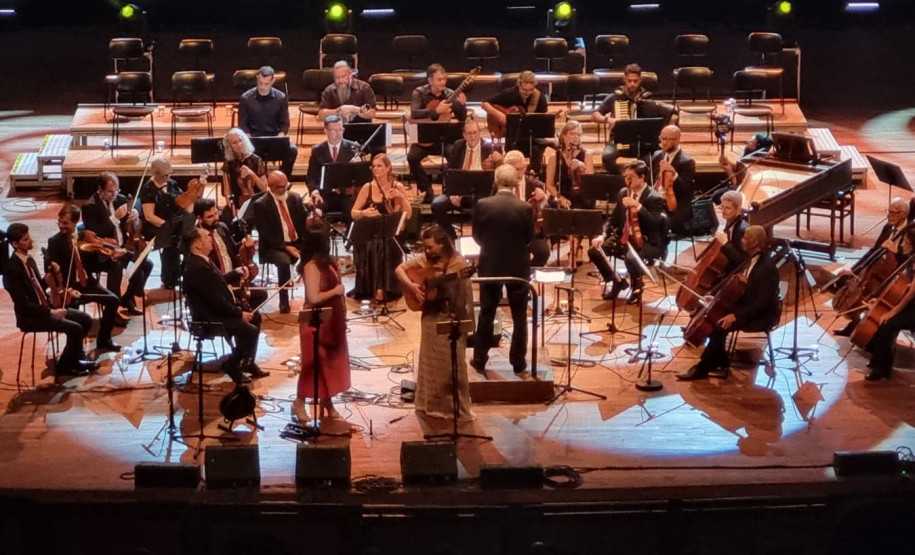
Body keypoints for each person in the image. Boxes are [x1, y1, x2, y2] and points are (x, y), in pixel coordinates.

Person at [676, 225, 780, 381]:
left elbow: (762, 303)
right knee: (714, 314)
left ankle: (704, 367)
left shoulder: (767, 268)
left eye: (745, 238)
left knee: (718, 325)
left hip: (760, 314)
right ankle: (720, 359)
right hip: (747, 306)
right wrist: (717, 299)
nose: (741, 240)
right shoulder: (751, 258)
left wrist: (735, 315)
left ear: (754, 243)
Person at [395, 224, 475, 420]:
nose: (426, 251)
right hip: (430, 318)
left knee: (451, 366)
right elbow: (400, 269)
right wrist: (413, 286)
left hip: (451, 317)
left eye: (430, 247)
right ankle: (429, 405)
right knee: (430, 363)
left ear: (442, 245)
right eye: (424, 247)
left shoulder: (458, 264)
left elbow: (461, 295)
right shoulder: (425, 260)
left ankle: (453, 408)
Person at [3, 223, 99, 377]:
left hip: (43, 308)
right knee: (76, 328)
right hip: (31, 317)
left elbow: (37, 287)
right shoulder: (12, 271)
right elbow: (25, 305)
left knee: (85, 319)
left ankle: (73, 358)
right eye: (26, 239)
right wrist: (52, 312)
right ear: (15, 244)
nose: (31, 241)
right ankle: (65, 367)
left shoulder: (29, 261)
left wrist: (53, 278)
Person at [471, 164, 535, 377]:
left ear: (495, 181)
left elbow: (477, 236)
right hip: (517, 268)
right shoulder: (525, 208)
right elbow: (529, 239)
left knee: (487, 313)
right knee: (519, 317)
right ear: (516, 182)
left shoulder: (482, 204)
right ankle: (519, 364)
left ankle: (479, 360)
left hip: (490, 266)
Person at [183, 228, 265, 384]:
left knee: (255, 317)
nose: (210, 239)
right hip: (210, 318)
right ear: (198, 244)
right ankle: (232, 365)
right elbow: (216, 301)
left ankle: (247, 362)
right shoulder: (198, 267)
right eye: (207, 237)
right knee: (249, 330)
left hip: (216, 311)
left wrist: (235, 273)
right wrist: (239, 313)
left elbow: (217, 284)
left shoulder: (201, 260)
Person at [833, 197, 914, 337]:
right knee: (861, 289)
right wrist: (855, 269)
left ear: (903, 214)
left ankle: (873, 331)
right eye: (888, 211)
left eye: (893, 212)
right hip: (882, 270)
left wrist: (896, 251)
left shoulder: (911, 232)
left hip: (900, 276)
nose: (888, 215)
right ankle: (855, 323)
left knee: (876, 294)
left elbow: (911, 259)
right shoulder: (888, 227)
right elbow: (874, 251)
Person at [47, 204, 123, 352]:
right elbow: (48, 268)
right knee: (76, 315)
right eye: (59, 222)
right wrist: (63, 285)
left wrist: (108, 254)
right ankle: (76, 351)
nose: (61, 226)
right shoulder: (54, 241)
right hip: (69, 287)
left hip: (87, 282)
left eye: (65, 223)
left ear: (75, 222)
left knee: (114, 300)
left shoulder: (86, 236)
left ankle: (104, 339)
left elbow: (97, 263)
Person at [588, 160, 666, 304]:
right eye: (626, 176)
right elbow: (613, 219)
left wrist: (639, 206)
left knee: (631, 258)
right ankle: (617, 281)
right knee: (595, 251)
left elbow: (654, 224)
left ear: (642, 177)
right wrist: (602, 235)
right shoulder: (623, 193)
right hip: (624, 237)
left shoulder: (654, 198)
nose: (627, 180)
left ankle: (637, 287)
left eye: (631, 176)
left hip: (646, 241)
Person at [293, 232, 351, 422]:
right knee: (312, 364)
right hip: (315, 321)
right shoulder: (311, 267)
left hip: (332, 319)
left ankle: (327, 402)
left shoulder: (328, 263)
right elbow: (314, 297)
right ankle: (299, 402)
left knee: (330, 363)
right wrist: (336, 291)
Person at [80, 171, 151, 315]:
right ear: (100, 190)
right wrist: (115, 218)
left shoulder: (121, 199)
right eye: (110, 191)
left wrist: (134, 216)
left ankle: (127, 299)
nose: (114, 194)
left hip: (122, 247)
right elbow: (96, 233)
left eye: (116, 190)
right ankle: (112, 310)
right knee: (116, 268)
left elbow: (128, 224)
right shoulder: (90, 206)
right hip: (103, 251)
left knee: (146, 264)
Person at [350, 153, 412, 302]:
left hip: (392, 232)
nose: (376, 169)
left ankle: (383, 288)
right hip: (372, 231)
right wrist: (364, 212)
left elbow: (408, 215)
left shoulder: (397, 187)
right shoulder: (368, 187)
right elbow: (353, 213)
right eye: (374, 166)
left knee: (383, 245)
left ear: (388, 168)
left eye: (379, 166)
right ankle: (373, 287)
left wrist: (401, 197)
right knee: (370, 243)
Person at [430, 118, 502, 239]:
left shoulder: (491, 148)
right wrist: (452, 193)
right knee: (436, 205)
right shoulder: (458, 146)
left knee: (479, 206)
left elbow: (500, 174)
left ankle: (478, 241)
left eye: (475, 132)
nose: (473, 136)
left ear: (479, 133)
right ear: (464, 135)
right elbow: (450, 172)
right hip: (458, 192)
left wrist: (499, 160)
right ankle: (452, 238)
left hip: (481, 194)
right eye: (469, 133)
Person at [252, 170, 313, 314]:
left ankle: (311, 298)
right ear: (271, 187)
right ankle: (284, 301)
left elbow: (305, 218)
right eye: (280, 187)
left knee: (314, 256)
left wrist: (312, 213)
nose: (285, 189)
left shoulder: (295, 197)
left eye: (286, 185)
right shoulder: (261, 204)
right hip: (275, 246)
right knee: (284, 262)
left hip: (296, 241)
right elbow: (265, 233)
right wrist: (285, 247)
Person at [194, 198, 268, 313]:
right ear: (199, 218)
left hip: (234, 277)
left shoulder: (221, 227)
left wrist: (244, 243)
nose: (216, 219)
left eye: (216, 213)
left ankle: (241, 314)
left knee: (261, 294)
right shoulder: (196, 238)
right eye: (210, 217)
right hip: (217, 283)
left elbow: (233, 250)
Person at [407, 63, 468, 204]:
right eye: (439, 79)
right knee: (412, 157)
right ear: (430, 80)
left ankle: (449, 191)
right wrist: (436, 112)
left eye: (444, 79)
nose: (443, 82)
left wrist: (461, 105)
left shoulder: (450, 94)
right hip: (424, 140)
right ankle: (427, 191)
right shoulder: (419, 92)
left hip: (444, 139)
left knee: (455, 154)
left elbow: (462, 118)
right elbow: (414, 113)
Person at [591, 63, 654, 175]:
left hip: (639, 142)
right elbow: (594, 115)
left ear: (640, 80)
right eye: (629, 81)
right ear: (624, 79)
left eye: (635, 81)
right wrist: (608, 120)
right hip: (617, 140)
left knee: (650, 159)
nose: (632, 84)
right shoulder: (616, 96)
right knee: (607, 157)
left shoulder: (647, 97)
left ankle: (643, 186)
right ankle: (622, 180)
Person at [138, 158, 191, 290]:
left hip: (175, 220)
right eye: (165, 175)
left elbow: (182, 202)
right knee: (173, 240)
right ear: (156, 174)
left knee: (192, 238)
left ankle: (185, 272)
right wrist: (169, 226)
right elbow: (150, 216)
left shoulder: (172, 183)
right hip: (157, 225)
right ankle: (170, 278)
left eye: (169, 174)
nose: (168, 177)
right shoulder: (148, 189)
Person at [481, 70, 548, 172]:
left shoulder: (540, 99)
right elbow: (485, 104)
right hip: (512, 137)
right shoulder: (510, 93)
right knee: (511, 150)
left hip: (533, 139)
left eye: (530, 90)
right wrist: (500, 116)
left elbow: (543, 122)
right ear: (519, 84)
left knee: (536, 149)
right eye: (524, 89)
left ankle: (534, 175)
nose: (527, 93)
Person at [237, 66, 297, 178]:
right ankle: (254, 181)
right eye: (260, 83)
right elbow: (243, 124)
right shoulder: (245, 98)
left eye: (266, 84)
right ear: (257, 79)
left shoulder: (281, 98)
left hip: (273, 139)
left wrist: (280, 137)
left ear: (272, 81)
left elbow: (285, 124)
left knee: (292, 150)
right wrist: (249, 139)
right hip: (253, 140)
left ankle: (281, 179)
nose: (263, 86)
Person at [306, 114, 361, 224]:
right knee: (315, 215)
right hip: (324, 195)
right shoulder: (317, 150)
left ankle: (350, 240)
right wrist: (315, 191)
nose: (338, 133)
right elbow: (311, 177)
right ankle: (323, 240)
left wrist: (358, 167)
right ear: (325, 130)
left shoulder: (353, 148)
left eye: (340, 129)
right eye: (334, 130)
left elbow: (359, 177)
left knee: (353, 215)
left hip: (345, 195)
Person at [504, 149, 552, 268]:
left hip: (531, 233)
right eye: (511, 170)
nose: (515, 173)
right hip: (507, 233)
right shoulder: (499, 185)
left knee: (543, 252)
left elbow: (547, 213)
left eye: (518, 169)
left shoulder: (536, 185)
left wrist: (542, 200)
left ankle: (526, 272)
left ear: (525, 167)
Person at [652, 125, 695, 235]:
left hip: (674, 205)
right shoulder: (657, 155)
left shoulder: (687, 161)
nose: (663, 142)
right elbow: (651, 180)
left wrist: (674, 173)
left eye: (667, 139)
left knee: (655, 225)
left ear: (677, 140)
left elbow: (684, 190)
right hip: (655, 201)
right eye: (662, 138)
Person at [714, 132, 774, 204]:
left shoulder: (756, 162)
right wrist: (728, 162)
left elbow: (738, 186)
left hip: (742, 191)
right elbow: (739, 168)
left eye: (751, 142)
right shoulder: (749, 154)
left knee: (717, 195)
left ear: (758, 146)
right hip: (738, 185)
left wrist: (729, 171)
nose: (748, 142)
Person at [221, 127, 267, 211]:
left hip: (257, 202)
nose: (239, 145)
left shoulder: (256, 160)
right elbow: (227, 191)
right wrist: (233, 209)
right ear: (229, 146)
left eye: (240, 140)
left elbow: (264, 188)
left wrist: (252, 174)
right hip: (237, 203)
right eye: (234, 143)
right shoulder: (228, 163)